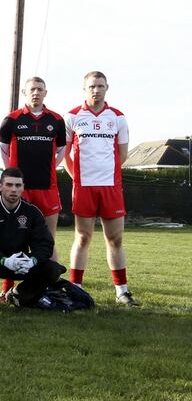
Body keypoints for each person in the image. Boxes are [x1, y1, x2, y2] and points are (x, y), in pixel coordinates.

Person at [64, 71, 138, 306]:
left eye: (100, 86)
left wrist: (107, 175)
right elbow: (65, 155)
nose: (96, 90)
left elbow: (123, 154)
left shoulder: (118, 118)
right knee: (83, 237)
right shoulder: (73, 117)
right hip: (84, 187)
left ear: (107, 88)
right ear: (84, 88)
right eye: (92, 86)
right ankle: (75, 289)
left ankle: (122, 292)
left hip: (110, 187)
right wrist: (79, 179)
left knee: (115, 239)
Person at [0, 76, 66, 300]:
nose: (36, 93)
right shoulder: (11, 120)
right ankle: (7, 287)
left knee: (48, 239)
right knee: (14, 238)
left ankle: (50, 286)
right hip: (21, 190)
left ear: (46, 93)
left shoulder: (56, 120)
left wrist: (47, 168)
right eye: (32, 89)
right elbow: (4, 150)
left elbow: (61, 152)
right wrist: (15, 177)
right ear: (24, 93)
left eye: (40, 89)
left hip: (47, 188)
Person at [0, 167, 63, 308]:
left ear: (23, 187)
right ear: (0, 186)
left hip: (22, 264)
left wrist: (33, 260)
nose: (13, 189)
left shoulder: (32, 212)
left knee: (53, 270)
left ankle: (19, 294)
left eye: (18, 185)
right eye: (9, 185)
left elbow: (45, 244)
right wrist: (3, 260)